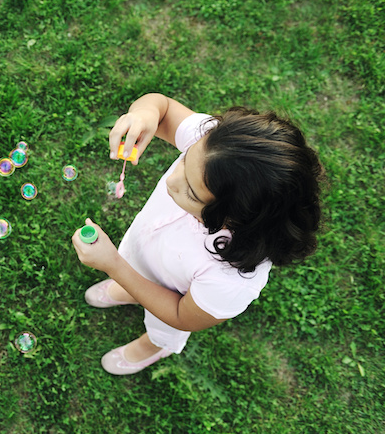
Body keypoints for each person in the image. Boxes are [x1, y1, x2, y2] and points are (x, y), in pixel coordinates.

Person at [72, 93, 323, 375]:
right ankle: (131, 287)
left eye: (191, 192)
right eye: (184, 160)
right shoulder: (215, 150)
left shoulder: (232, 277)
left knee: (160, 328)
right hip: (145, 253)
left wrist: (113, 265)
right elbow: (162, 108)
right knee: (135, 266)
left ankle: (153, 346)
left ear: (232, 218)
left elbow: (181, 315)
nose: (171, 180)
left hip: (170, 305)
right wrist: (144, 115)